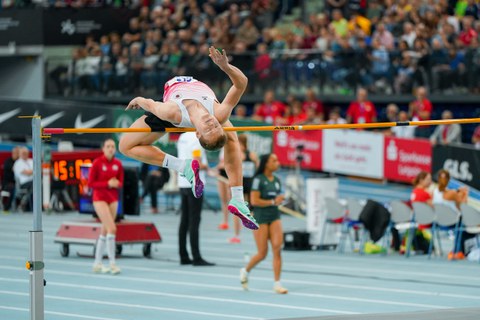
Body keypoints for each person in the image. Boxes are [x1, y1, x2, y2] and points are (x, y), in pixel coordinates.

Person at [119, 46, 258, 231]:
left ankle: (233, 196)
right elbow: (241, 83)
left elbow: (151, 104)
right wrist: (226, 67)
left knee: (124, 146)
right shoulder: (218, 114)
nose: (212, 122)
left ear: (197, 133)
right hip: (182, 99)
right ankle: (189, 170)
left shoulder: (170, 112)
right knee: (229, 133)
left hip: (174, 110)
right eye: (216, 125)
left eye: (210, 128)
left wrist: (138, 99)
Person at [240, 153, 288, 294]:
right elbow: (254, 201)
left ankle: (277, 283)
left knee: (277, 248)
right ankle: (245, 270)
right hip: (260, 217)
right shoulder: (258, 180)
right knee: (262, 253)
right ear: (266, 163)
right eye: (274, 160)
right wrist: (273, 201)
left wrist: (280, 200)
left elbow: (276, 199)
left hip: (274, 215)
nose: (277, 163)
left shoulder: (277, 180)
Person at [177, 132, 215, 266]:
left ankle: (183, 255)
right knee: (194, 220)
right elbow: (197, 162)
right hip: (195, 183)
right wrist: (209, 169)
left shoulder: (182, 137)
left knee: (185, 220)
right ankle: (196, 256)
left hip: (183, 182)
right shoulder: (195, 138)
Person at [89, 138, 124, 274]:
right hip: (99, 199)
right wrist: (107, 184)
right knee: (112, 228)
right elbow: (91, 183)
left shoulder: (118, 164)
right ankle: (112, 263)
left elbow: (120, 182)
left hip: (113, 199)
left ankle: (97, 263)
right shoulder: (97, 163)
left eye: (113, 146)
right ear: (103, 148)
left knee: (105, 231)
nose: (110, 149)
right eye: (108, 146)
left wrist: (115, 184)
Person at [432, 169, 469, 260]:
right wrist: (465, 193)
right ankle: (457, 251)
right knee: (464, 226)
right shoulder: (451, 193)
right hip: (452, 223)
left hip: (439, 222)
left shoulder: (435, 192)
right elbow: (463, 206)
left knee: (461, 226)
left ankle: (459, 250)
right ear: (449, 180)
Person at [229, 134, 259, 244]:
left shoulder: (240, 155)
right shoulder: (253, 155)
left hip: (243, 185)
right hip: (246, 184)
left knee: (246, 210)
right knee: (242, 210)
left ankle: (252, 233)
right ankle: (237, 234)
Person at [12, 147, 33, 211]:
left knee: (40, 184)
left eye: (26, 153)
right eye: (23, 153)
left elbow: (38, 171)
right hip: (23, 184)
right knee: (35, 184)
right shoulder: (18, 163)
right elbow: (27, 173)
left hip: (32, 182)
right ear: (20, 154)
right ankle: (27, 205)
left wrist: (32, 171)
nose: (25, 154)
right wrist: (33, 171)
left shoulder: (31, 161)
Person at [1, 146, 19, 212]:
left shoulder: (20, 161)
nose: (17, 154)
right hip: (7, 183)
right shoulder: (8, 161)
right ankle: (6, 207)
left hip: (17, 183)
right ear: (13, 153)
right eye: (16, 153)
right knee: (11, 188)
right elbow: (15, 170)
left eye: (18, 153)